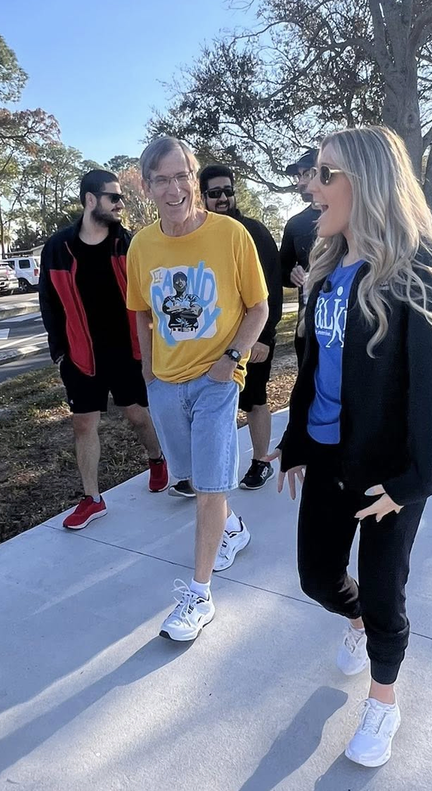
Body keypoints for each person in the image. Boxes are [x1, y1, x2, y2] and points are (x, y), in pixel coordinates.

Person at [272, 127, 432, 768]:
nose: (311, 186)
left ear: (368, 182)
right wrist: (295, 443)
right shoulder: (324, 267)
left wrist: (414, 483)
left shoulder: (417, 270)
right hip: (325, 454)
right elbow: (313, 367)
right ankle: (356, 626)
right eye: (313, 174)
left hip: (389, 471)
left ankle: (383, 702)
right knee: (317, 577)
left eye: (327, 175)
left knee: (384, 593)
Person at [126, 136, 269, 641]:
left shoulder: (231, 235)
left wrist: (231, 361)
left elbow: (258, 307)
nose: (174, 188)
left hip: (216, 381)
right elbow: (141, 312)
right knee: (192, 482)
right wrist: (148, 377)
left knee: (210, 489)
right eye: (161, 179)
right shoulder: (141, 245)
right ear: (146, 186)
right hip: (166, 384)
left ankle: (199, 595)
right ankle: (233, 529)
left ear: (195, 177)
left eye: (182, 175)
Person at [39, 168, 167, 529]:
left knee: (137, 415)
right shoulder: (57, 249)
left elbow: (149, 298)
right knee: (83, 424)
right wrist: (60, 352)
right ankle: (92, 498)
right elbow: (48, 303)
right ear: (91, 200)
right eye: (114, 197)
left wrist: (152, 347)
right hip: (82, 355)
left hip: (126, 350)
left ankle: (157, 459)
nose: (120, 204)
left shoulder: (127, 244)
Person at [199, 164, 284, 490]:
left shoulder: (254, 232)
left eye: (227, 191)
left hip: (253, 337)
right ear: (203, 196)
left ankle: (260, 461)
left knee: (255, 400)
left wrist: (263, 337)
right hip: (211, 339)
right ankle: (204, 472)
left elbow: (271, 291)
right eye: (215, 193)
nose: (223, 198)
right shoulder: (201, 234)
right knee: (211, 405)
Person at [279, 149, 321, 367]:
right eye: (298, 176)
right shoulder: (296, 223)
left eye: (306, 174)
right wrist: (291, 273)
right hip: (306, 323)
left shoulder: (351, 218)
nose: (300, 183)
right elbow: (281, 271)